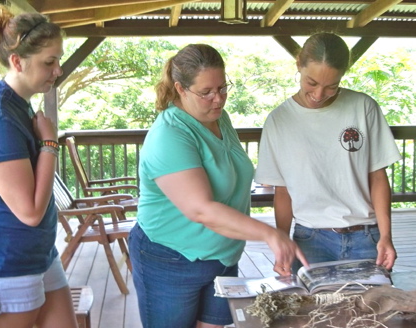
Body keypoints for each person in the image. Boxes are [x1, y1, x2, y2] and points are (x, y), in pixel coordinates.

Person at [128, 43, 308, 328]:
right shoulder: (170, 134)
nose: (218, 99)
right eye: (206, 92)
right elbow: (201, 210)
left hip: (222, 255)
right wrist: (270, 234)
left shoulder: (219, 118)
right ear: (180, 89)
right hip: (170, 258)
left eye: (223, 88)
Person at [0, 5, 78, 328]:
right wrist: (50, 144)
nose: (58, 70)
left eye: (58, 60)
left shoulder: (18, 107)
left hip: (36, 253)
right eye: (49, 62)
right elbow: (30, 211)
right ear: (17, 61)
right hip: (4, 260)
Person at [254, 32, 402, 274]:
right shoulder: (279, 120)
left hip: (366, 237)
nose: (319, 94)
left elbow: (378, 177)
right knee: (312, 311)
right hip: (310, 239)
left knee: (371, 310)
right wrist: (283, 242)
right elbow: (283, 191)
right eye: (311, 82)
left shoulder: (363, 107)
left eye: (331, 86)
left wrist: (385, 236)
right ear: (298, 65)